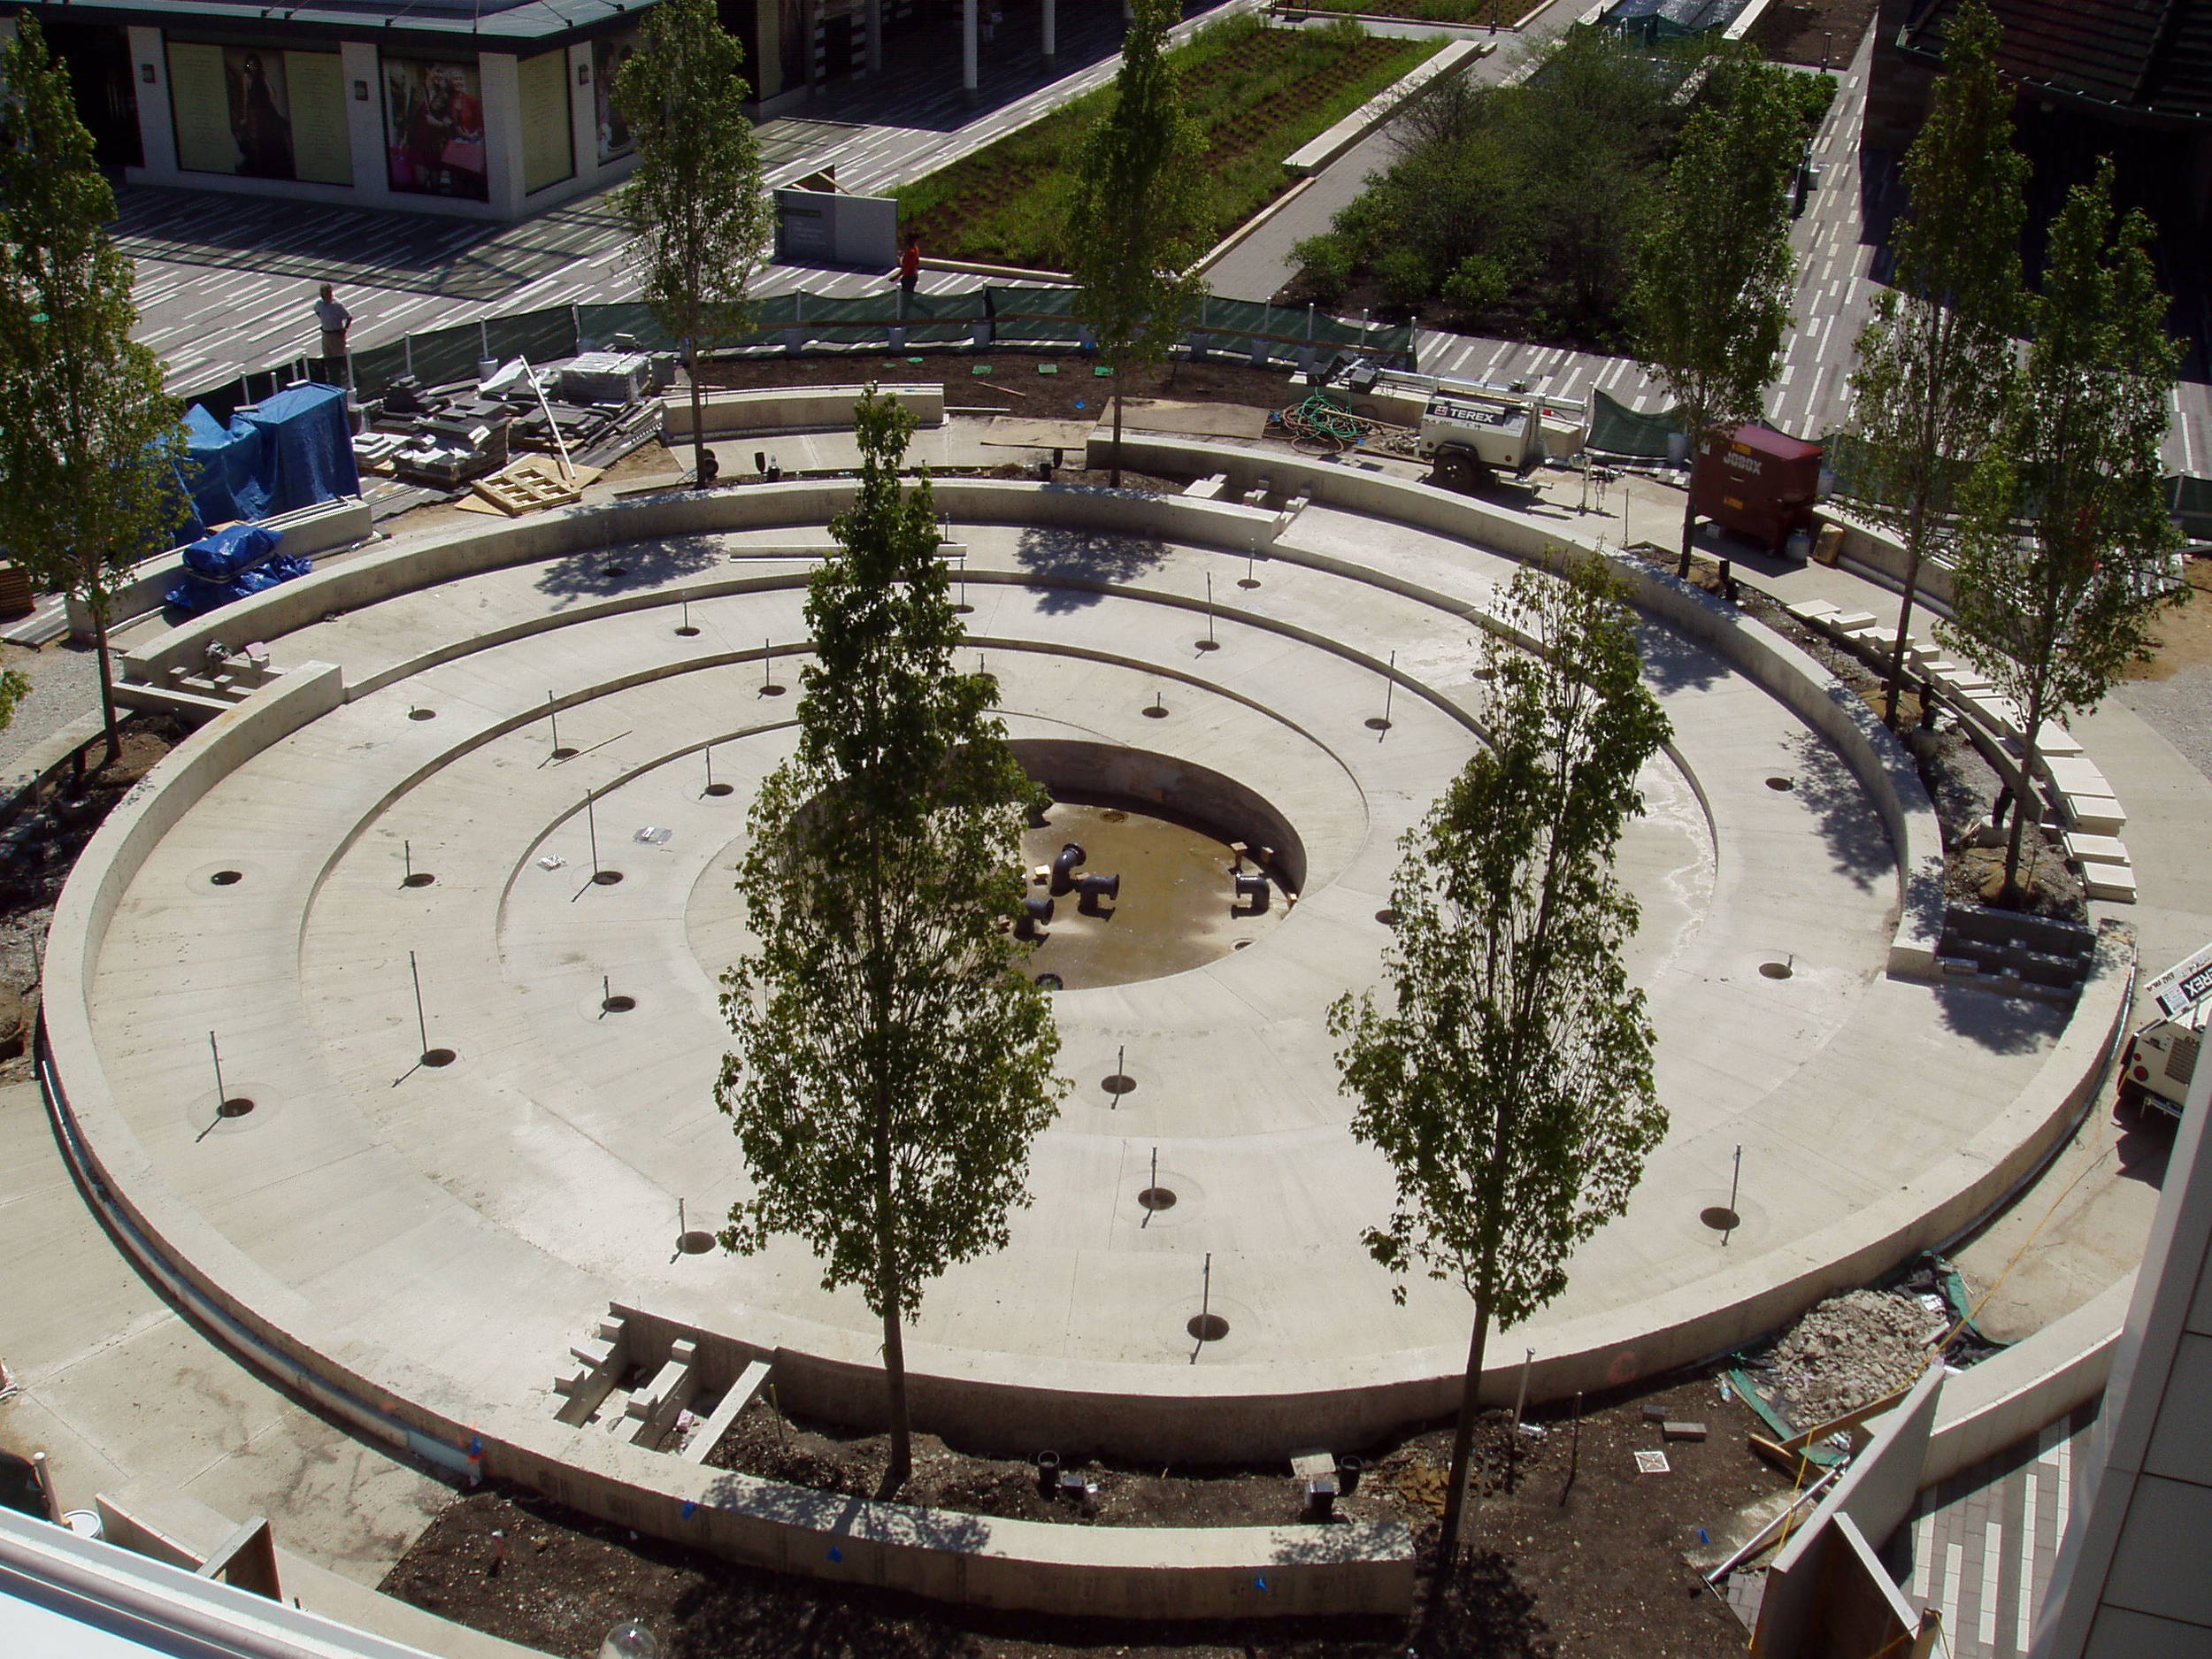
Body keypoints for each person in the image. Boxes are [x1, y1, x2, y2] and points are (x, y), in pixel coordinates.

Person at [314, 284, 352, 373]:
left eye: (326, 293)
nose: (324, 296)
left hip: (336, 335)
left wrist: (345, 329)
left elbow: (349, 317)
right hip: (326, 334)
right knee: (328, 358)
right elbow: (317, 311)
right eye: (323, 294)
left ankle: (356, 375)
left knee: (341, 358)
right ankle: (334, 378)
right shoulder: (319, 303)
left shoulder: (337, 305)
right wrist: (325, 320)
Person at [896, 235, 922, 317]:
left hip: (909, 277)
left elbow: (906, 267)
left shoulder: (911, 252)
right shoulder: (915, 249)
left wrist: (896, 276)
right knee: (908, 298)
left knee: (906, 298)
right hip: (912, 276)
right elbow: (917, 262)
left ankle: (904, 316)